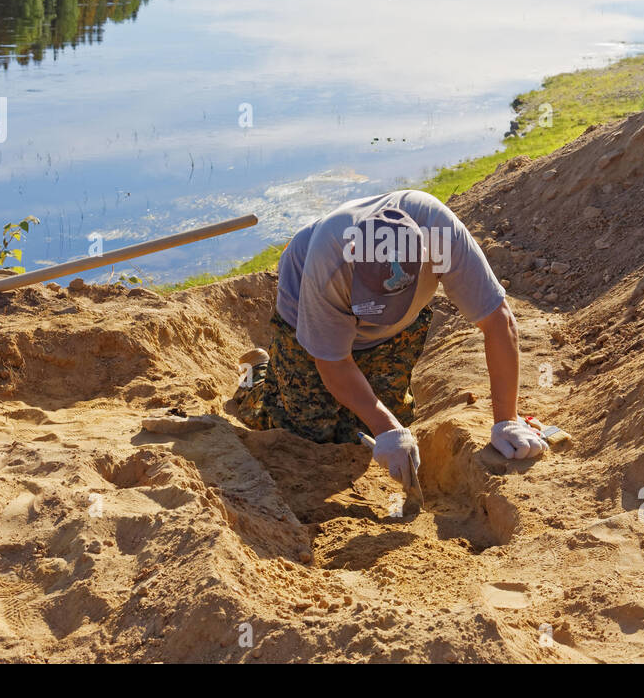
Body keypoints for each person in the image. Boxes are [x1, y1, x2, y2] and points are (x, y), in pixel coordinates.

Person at [233, 189, 548, 486]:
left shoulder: (442, 238)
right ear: (353, 260)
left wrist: (507, 419)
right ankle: (257, 377)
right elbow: (333, 361)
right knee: (309, 430)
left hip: (399, 326)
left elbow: (498, 321)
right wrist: (385, 429)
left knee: (362, 429)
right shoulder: (327, 262)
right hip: (308, 308)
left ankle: (308, 380)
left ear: (425, 257)